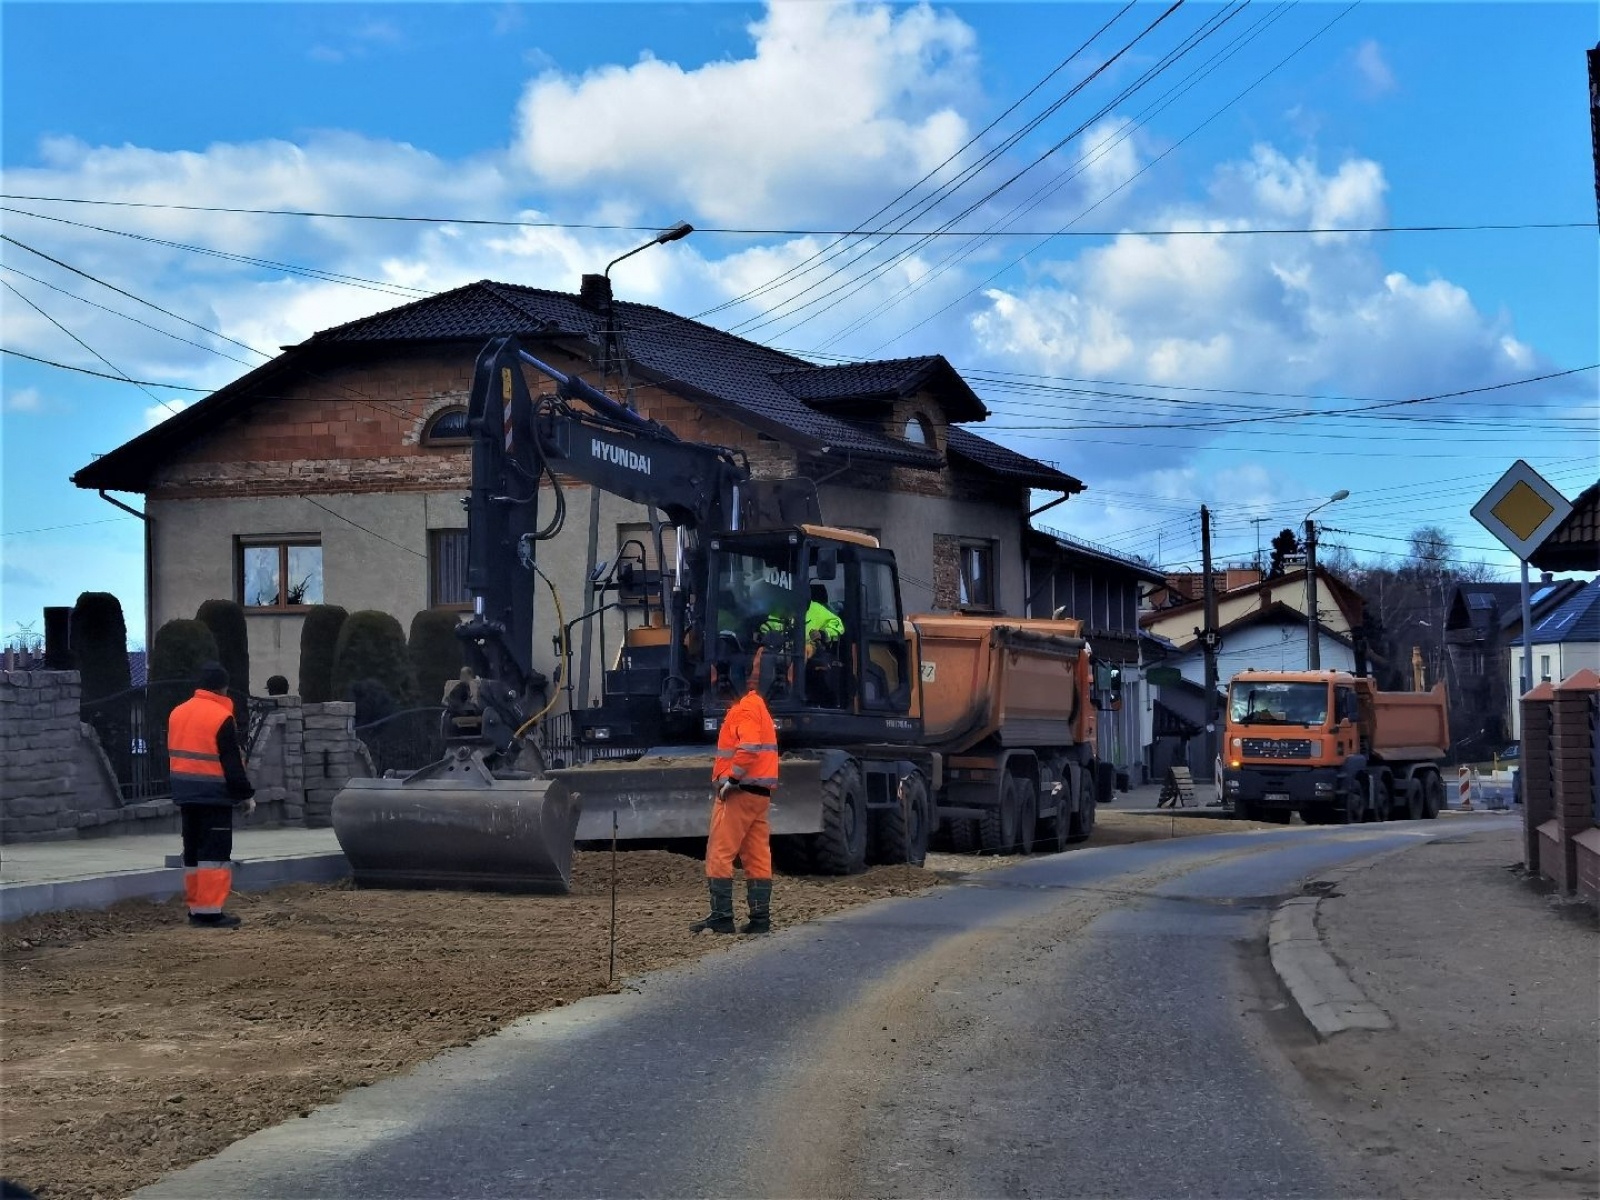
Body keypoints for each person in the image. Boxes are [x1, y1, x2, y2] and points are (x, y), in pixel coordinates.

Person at [692, 654, 780, 935]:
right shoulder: (760, 707)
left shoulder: (743, 710)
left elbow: (750, 745)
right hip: (760, 795)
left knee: (719, 853)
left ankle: (721, 916)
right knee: (757, 856)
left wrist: (731, 779)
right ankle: (760, 919)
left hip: (738, 793)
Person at [167, 662, 255, 928]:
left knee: (192, 852)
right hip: (213, 795)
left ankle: (196, 909)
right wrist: (245, 795)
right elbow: (231, 763)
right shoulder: (220, 716)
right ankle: (211, 912)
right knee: (214, 855)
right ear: (223, 688)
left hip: (185, 793)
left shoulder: (177, 713)